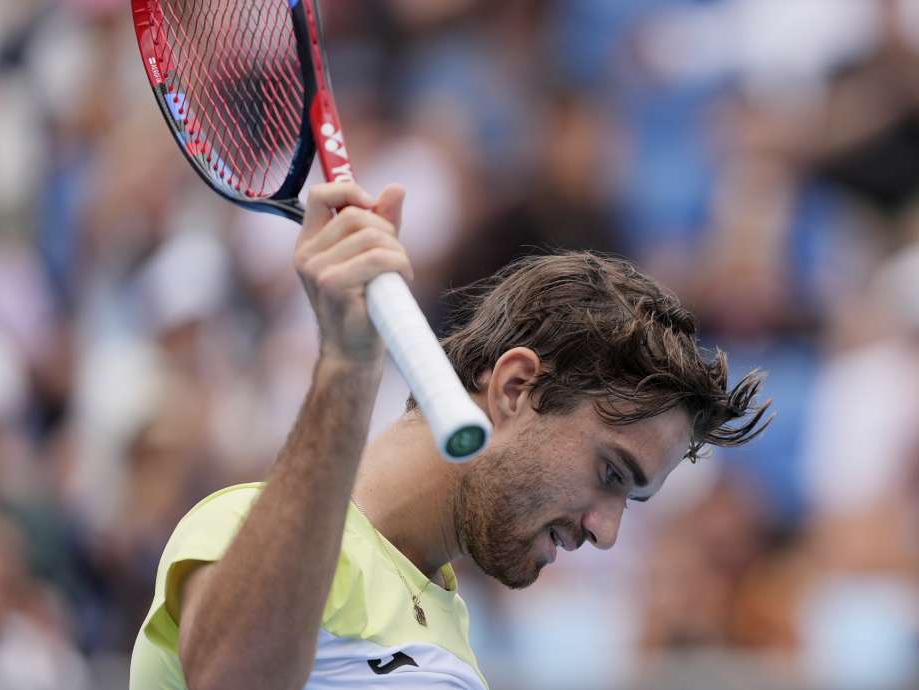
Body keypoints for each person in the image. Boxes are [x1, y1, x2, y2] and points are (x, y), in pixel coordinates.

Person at [129, 181, 769, 689]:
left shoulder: (452, 645)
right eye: (611, 474)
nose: (606, 532)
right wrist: (348, 364)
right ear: (516, 388)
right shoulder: (244, 528)